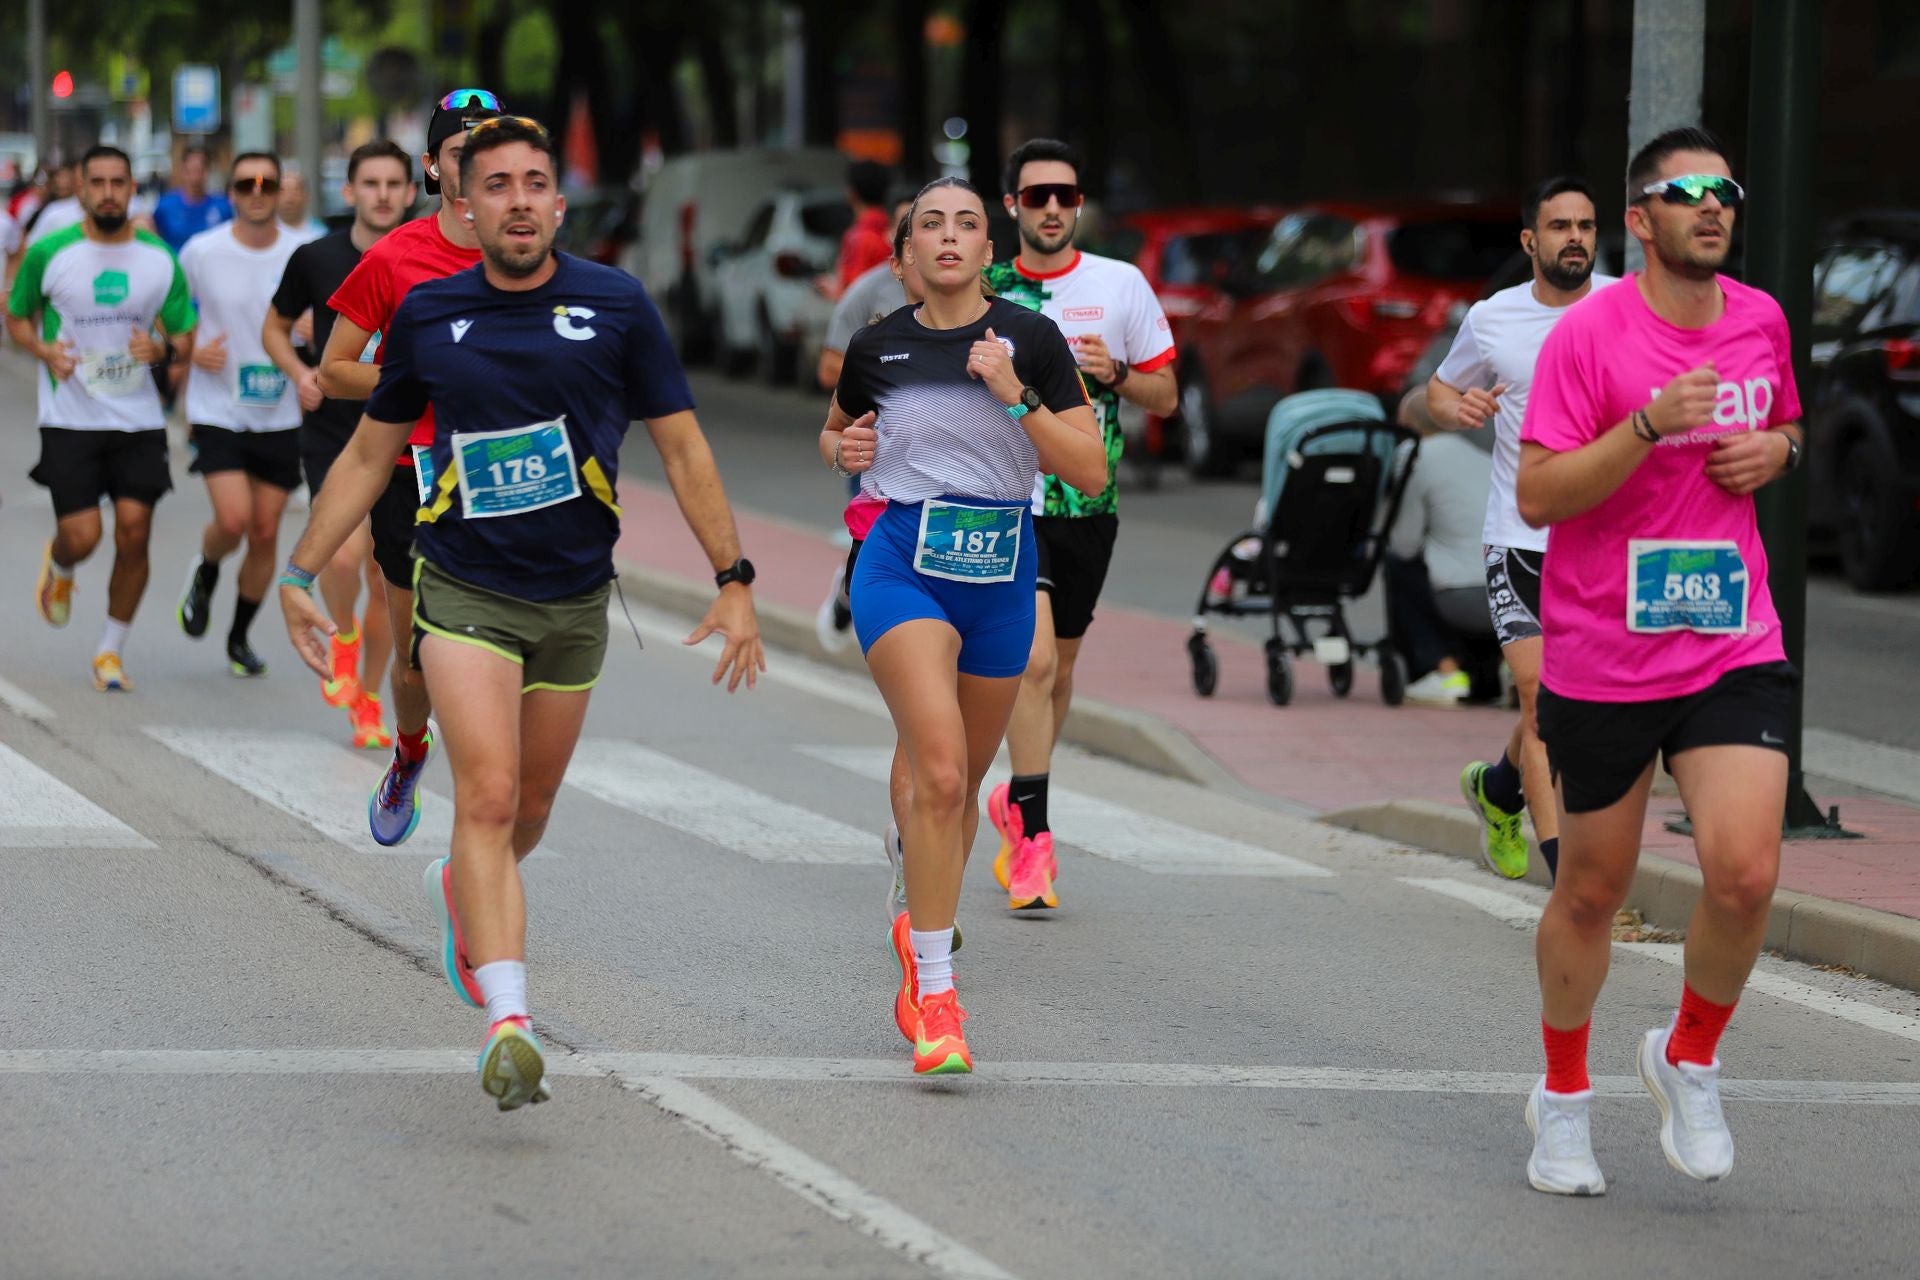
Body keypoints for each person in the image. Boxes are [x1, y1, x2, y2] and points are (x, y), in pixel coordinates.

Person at [280, 115, 764, 1111]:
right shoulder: (431, 312)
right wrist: (298, 570)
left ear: (559, 200)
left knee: (528, 809)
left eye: (536, 183)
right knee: (489, 796)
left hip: (577, 596)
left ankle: (465, 886)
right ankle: (508, 1018)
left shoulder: (617, 305)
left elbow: (682, 447)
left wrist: (735, 574)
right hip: (462, 586)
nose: (518, 201)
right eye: (496, 184)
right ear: (464, 198)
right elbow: (370, 453)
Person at [1515, 127, 1804, 1196]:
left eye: (1724, 189)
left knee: (1746, 869)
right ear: (1641, 220)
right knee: (1592, 889)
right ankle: (1564, 1095)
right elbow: (1540, 494)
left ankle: (1689, 1055)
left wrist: (1778, 450)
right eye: (1686, 193)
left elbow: (1786, 426)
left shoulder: (1762, 320)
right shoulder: (1590, 339)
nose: (1711, 206)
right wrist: (1643, 425)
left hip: (1731, 637)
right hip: (1605, 649)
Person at [821, 176, 1104, 1075]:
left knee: (954, 791)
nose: (949, 238)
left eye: (967, 225)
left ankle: (919, 936)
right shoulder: (879, 346)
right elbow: (834, 436)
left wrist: (1017, 395)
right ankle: (938, 998)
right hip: (903, 559)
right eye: (930, 225)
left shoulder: (1033, 338)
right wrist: (847, 450)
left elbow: (1090, 471)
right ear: (906, 252)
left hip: (1002, 571)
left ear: (992, 249)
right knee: (940, 771)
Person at [980, 138, 1177, 911]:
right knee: (1029, 666)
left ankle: (1017, 800)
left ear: (1080, 204)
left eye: (1065, 195)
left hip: (1086, 503)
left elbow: (1166, 397)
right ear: (1013, 207)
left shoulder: (1120, 285)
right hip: (1007, 498)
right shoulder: (987, 288)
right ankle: (1034, 843)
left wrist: (1118, 375)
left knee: (1057, 673)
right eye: (1037, 197)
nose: (1053, 209)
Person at [316, 87, 504, 845]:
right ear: (434, 167)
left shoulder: (537, 261)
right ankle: (409, 747)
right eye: (463, 153)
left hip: (504, 481)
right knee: (418, 660)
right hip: (411, 476)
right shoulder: (395, 257)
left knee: (504, 652)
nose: (480, 168)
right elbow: (332, 370)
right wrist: (415, 375)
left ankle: (488, 815)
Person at [1430, 176, 1616, 880]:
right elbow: (1439, 390)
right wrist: (1459, 410)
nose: (1575, 237)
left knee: (1575, 697)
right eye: (1560, 225)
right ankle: (1565, 871)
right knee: (1541, 698)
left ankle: (1498, 789)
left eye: (1586, 226)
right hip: (1520, 536)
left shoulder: (1625, 307)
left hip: (1601, 539)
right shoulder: (1492, 319)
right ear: (1530, 241)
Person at [5, 145, 196, 691]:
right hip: (70, 416)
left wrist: (161, 350)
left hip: (138, 418)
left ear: (133, 188)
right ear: (82, 189)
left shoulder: (159, 259)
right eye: (99, 182)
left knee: (135, 533)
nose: (109, 191)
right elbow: (16, 317)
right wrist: (44, 353)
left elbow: (182, 334)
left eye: (119, 182)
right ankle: (61, 567)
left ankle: (110, 651)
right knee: (83, 535)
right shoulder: (51, 253)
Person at [263, 139, 416, 747]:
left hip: (401, 436)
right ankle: (345, 637)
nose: (381, 195)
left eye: (392, 184)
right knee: (347, 557)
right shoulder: (315, 258)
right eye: (369, 184)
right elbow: (275, 326)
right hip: (334, 432)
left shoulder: (422, 258)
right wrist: (301, 373)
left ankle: (371, 698)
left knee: (387, 577)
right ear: (349, 192)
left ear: (410, 192)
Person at [172, 153, 308, 677]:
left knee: (266, 533)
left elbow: (331, 312)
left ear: (280, 192)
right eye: (245, 183)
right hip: (217, 404)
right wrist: (191, 349)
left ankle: (238, 638)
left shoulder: (303, 252)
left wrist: (314, 335)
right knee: (234, 520)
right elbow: (175, 314)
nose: (256, 191)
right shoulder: (201, 252)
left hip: (281, 410)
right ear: (230, 192)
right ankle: (206, 569)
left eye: (267, 183)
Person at [813, 188, 918, 655]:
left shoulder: (982, 306)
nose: (917, 241)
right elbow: (829, 370)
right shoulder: (867, 294)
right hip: (878, 453)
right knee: (874, 543)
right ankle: (849, 590)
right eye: (906, 231)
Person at [1384, 390, 1495, 705]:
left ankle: (1442, 671)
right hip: (1509, 595)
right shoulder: (1483, 457)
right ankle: (1496, 674)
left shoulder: (1414, 456)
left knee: (1398, 565)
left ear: (1407, 425)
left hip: (1460, 599)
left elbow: (1404, 544)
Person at [819, 160, 894, 302]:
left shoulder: (858, 237)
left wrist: (833, 290)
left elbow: (854, 295)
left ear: (851, 193)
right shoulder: (895, 232)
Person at [153, 145, 234, 255]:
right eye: (190, 170)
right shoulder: (165, 206)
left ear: (208, 171)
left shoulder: (223, 206)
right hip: (177, 267)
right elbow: (155, 240)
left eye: (199, 170)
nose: (195, 177)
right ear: (182, 170)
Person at [277, 167, 328, 239]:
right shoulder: (266, 232)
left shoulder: (321, 233)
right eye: (282, 191)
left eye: (295, 191)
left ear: (307, 196)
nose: (289, 199)